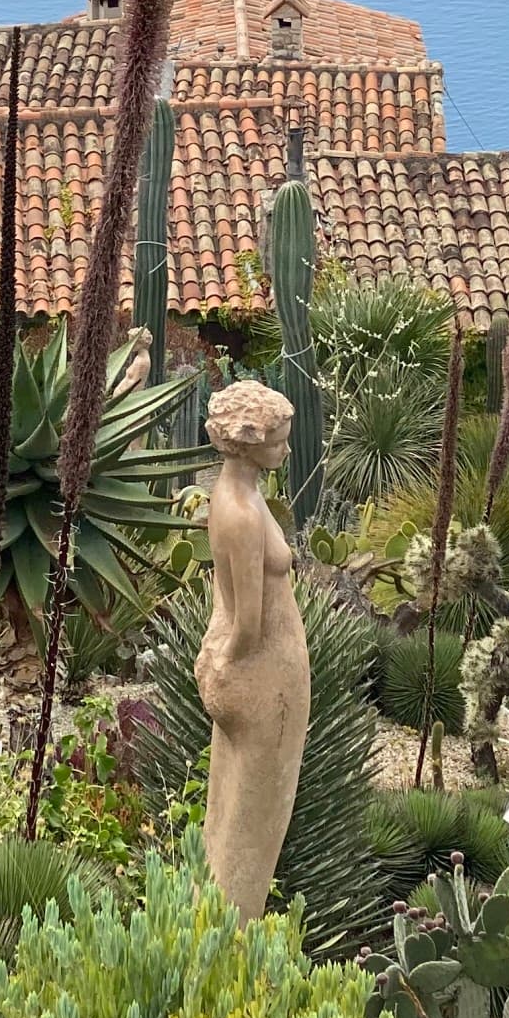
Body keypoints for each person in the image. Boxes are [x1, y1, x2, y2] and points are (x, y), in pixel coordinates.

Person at [196, 380, 309, 918]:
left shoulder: (240, 492)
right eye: (279, 442)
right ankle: (230, 948)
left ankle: (212, 935)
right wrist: (226, 663)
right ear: (248, 442)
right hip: (263, 677)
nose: (286, 450)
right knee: (252, 827)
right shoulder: (239, 513)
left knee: (233, 814)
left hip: (260, 672)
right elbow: (248, 624)